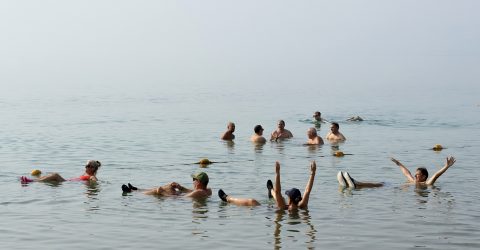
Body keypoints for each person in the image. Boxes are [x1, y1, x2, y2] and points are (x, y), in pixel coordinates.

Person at [218, 161, 316, 211]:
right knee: (279, 197)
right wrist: (312, 173)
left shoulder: (283, 207)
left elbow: (279, 191)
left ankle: (227, 198)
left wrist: (277, 173)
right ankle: (270, 189)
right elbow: (307, 191)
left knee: (252, 201)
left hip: (268, 210)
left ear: (290, 199)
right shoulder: (302, 206)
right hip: (279, 206)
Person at [122, 172, 212, 199]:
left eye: (194, 180)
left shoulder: (198, 192)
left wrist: (163, 193)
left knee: (157, 191)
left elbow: (182, 199)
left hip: (179, 199)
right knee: (167, 186)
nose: (193, 182)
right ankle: (137, 189)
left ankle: (133, 192)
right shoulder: (208, 190)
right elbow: (190, 192)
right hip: (179, 196)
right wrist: (180, 187)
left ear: (199, 182)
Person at [391, 156, 456, 185]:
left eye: (417, 174)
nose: (415, 176)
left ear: (424, 177)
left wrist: (446, 166)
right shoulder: (413, 181)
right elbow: (407, 173)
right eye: (415, 174)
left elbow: (436, 175)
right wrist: (398, 164)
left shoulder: (427, 183)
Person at [20, 160, 102, 183]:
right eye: (86, 165)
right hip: (69, 180)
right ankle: (34, 180)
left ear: (93, 168)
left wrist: (95, 181)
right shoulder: (86, 174)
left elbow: (94, 179)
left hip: (67, 182)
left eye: (88, 166)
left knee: (55, 175)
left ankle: (31, 181)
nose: (86, 167)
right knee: (52, 174)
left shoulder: (91, 176)